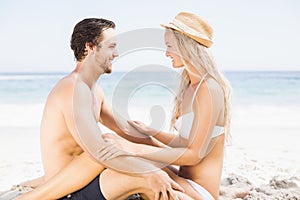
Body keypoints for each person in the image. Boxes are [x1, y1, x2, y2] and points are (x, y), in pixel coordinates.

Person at [9, 17, 190, 200]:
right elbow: (99, 152)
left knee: (153, 173)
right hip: (68, 192)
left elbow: (128, 130)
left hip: (89, 182)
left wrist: (175, 157)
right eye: (111, 46)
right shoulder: (71, 89)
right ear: (90, 47)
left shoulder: (94, 90)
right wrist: (151, 171)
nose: (117, 53)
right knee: (146, 179)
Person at [96, 12, 232, 200]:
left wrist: (134, 148)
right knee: (118, 142)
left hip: (198, 192)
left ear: (185, 47)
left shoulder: (209, 89)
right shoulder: (190, 86)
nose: (166, 53)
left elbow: (194, 155)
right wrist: (151, 132)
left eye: (169, 46)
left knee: (130, 155)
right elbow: (186, 143)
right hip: (183, 180)